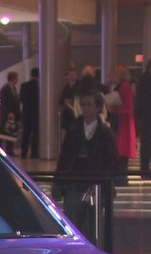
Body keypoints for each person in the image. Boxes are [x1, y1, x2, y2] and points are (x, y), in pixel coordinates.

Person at [54, 90, 119, 242]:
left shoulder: (105, 133)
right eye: (83, 104)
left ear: (98, 107)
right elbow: (64, 157)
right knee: (72, 225)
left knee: (92, 227)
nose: (85, 108)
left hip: (95, 186)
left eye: (89, 105)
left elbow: (113, 160)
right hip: (74, 184)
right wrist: (58, 181)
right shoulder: (73, 129)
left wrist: (105, 179)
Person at [106, 65, 136, 183]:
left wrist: (114, 108)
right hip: (119, 123)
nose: (111, 76)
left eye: (114, 73)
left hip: (123, 124)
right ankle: (119, 177)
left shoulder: (124, 86)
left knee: (121, 153)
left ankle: (121, 178)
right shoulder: (118, 87)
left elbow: (128, 106)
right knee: (118, 153)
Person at [0, 71, 22, 153]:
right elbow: (4, 102)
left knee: (11, 132)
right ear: (13, 78)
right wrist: (8, 112)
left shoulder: (14, 88)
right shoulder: (5, 88)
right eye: (16, 78)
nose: (17, 79)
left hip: (13, 115)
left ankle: (10, 150)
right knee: (2, 133)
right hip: (6, 115)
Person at [19, 67, 40, 158]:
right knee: (35, 134)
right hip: (36, 113)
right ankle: (34, 153)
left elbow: (21, 99)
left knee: (26, 133)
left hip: (26, 113)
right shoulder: (39, 86)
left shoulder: (24, 85)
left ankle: (24, 152)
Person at [58, 67, 79, 141]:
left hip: (74, 114)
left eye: (73, 74)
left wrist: (71, 100)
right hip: (66, 114)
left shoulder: (79, 86)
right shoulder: (66, 87)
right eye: (70, 74)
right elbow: (61, 100)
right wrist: (64, 101)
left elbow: (78, 97)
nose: (72, 76)